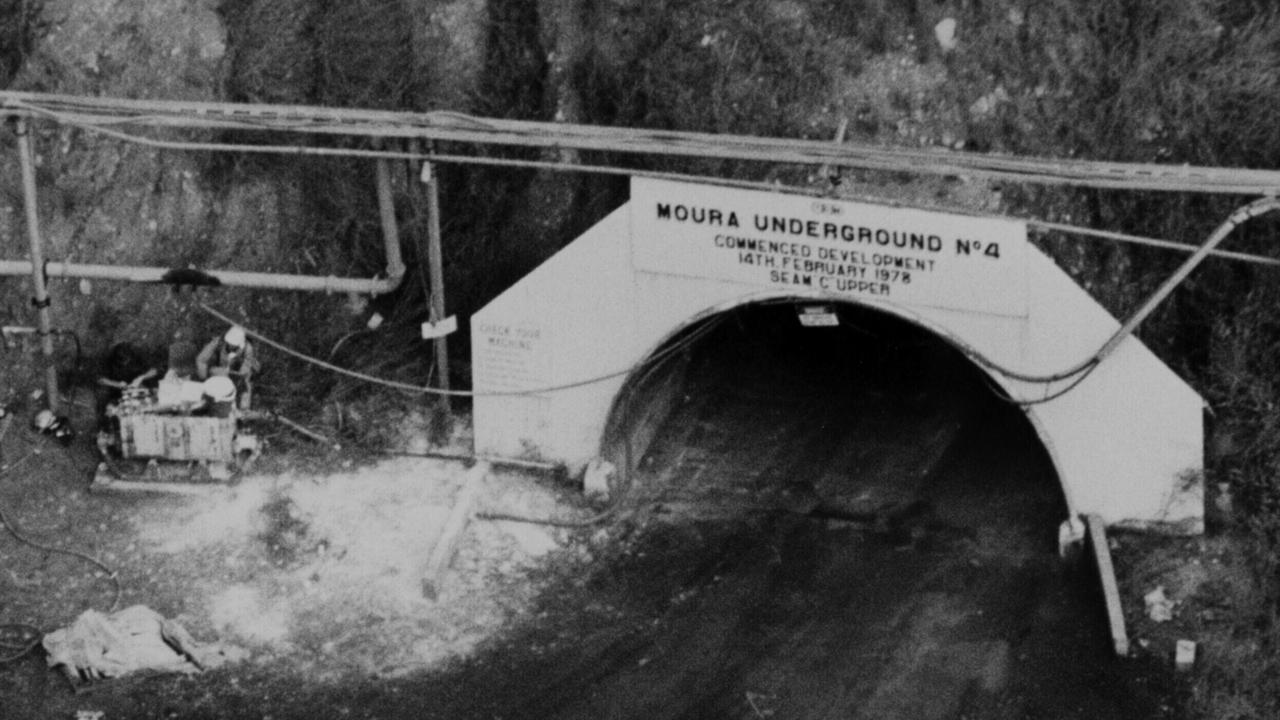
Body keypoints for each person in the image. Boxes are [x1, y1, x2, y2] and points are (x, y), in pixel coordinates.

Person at [196, 325, 259, 409]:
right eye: (229, 343)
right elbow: (201, 359)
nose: (230, 346)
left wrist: (231, 375)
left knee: (244, 391)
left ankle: (242, 410)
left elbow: (245, 370)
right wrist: (203, 377)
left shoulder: (247, 349)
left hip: (236, 375)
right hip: (218, 371)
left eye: (233, 345)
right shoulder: (218, 342)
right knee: (210, 394)